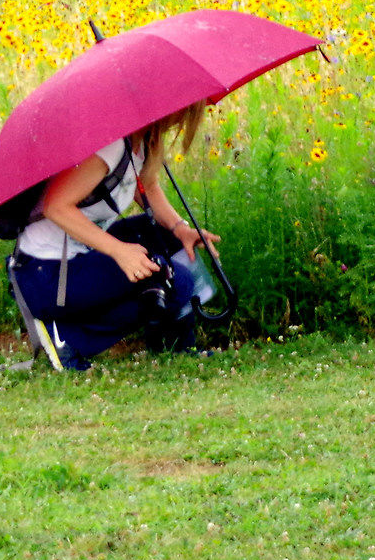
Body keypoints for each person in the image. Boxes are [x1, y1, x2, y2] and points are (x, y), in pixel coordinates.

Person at [11, 102, 219, 371]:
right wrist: (119, 251)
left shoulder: (140, 142)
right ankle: (66, 337)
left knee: (170, 240)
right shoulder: (109, 148)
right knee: (172, 279)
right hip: (46, 275)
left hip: (79, 258)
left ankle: (173, 343)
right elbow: (55, 206)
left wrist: (181, 229)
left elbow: (148, 186)